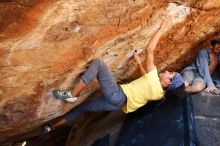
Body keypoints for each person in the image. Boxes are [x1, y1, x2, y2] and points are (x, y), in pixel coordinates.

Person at [43, 17, 185, 133]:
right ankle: (51, 127)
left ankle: (73, 95)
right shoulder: (159, 94)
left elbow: (149, 50)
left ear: (168, 83)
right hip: (117, 104)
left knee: (98, 64)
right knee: (82, 108)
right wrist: (138, 62)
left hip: (117, 94)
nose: (166, 71)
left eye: (169, 74)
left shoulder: (154, 80)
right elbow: (146, 77)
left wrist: (162, 27)